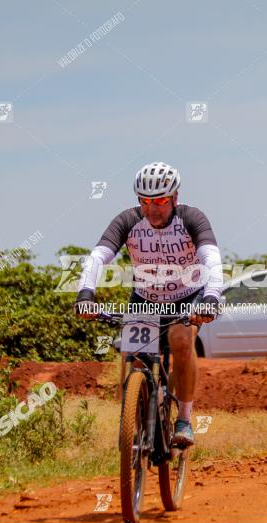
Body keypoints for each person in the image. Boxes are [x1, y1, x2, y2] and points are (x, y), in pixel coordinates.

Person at [74, 161, 223, 446]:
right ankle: (138, 412)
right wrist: (85, 294)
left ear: (175, 197)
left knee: (181, 340)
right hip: (146, 298)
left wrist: (211, 297)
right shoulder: (128, 221)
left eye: (161, 201)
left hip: (187, 296)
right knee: (136, 357)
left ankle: (184, 419)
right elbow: (97, 257)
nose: (153, 209)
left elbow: (212, 260)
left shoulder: (192, 218)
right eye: (145, 201)